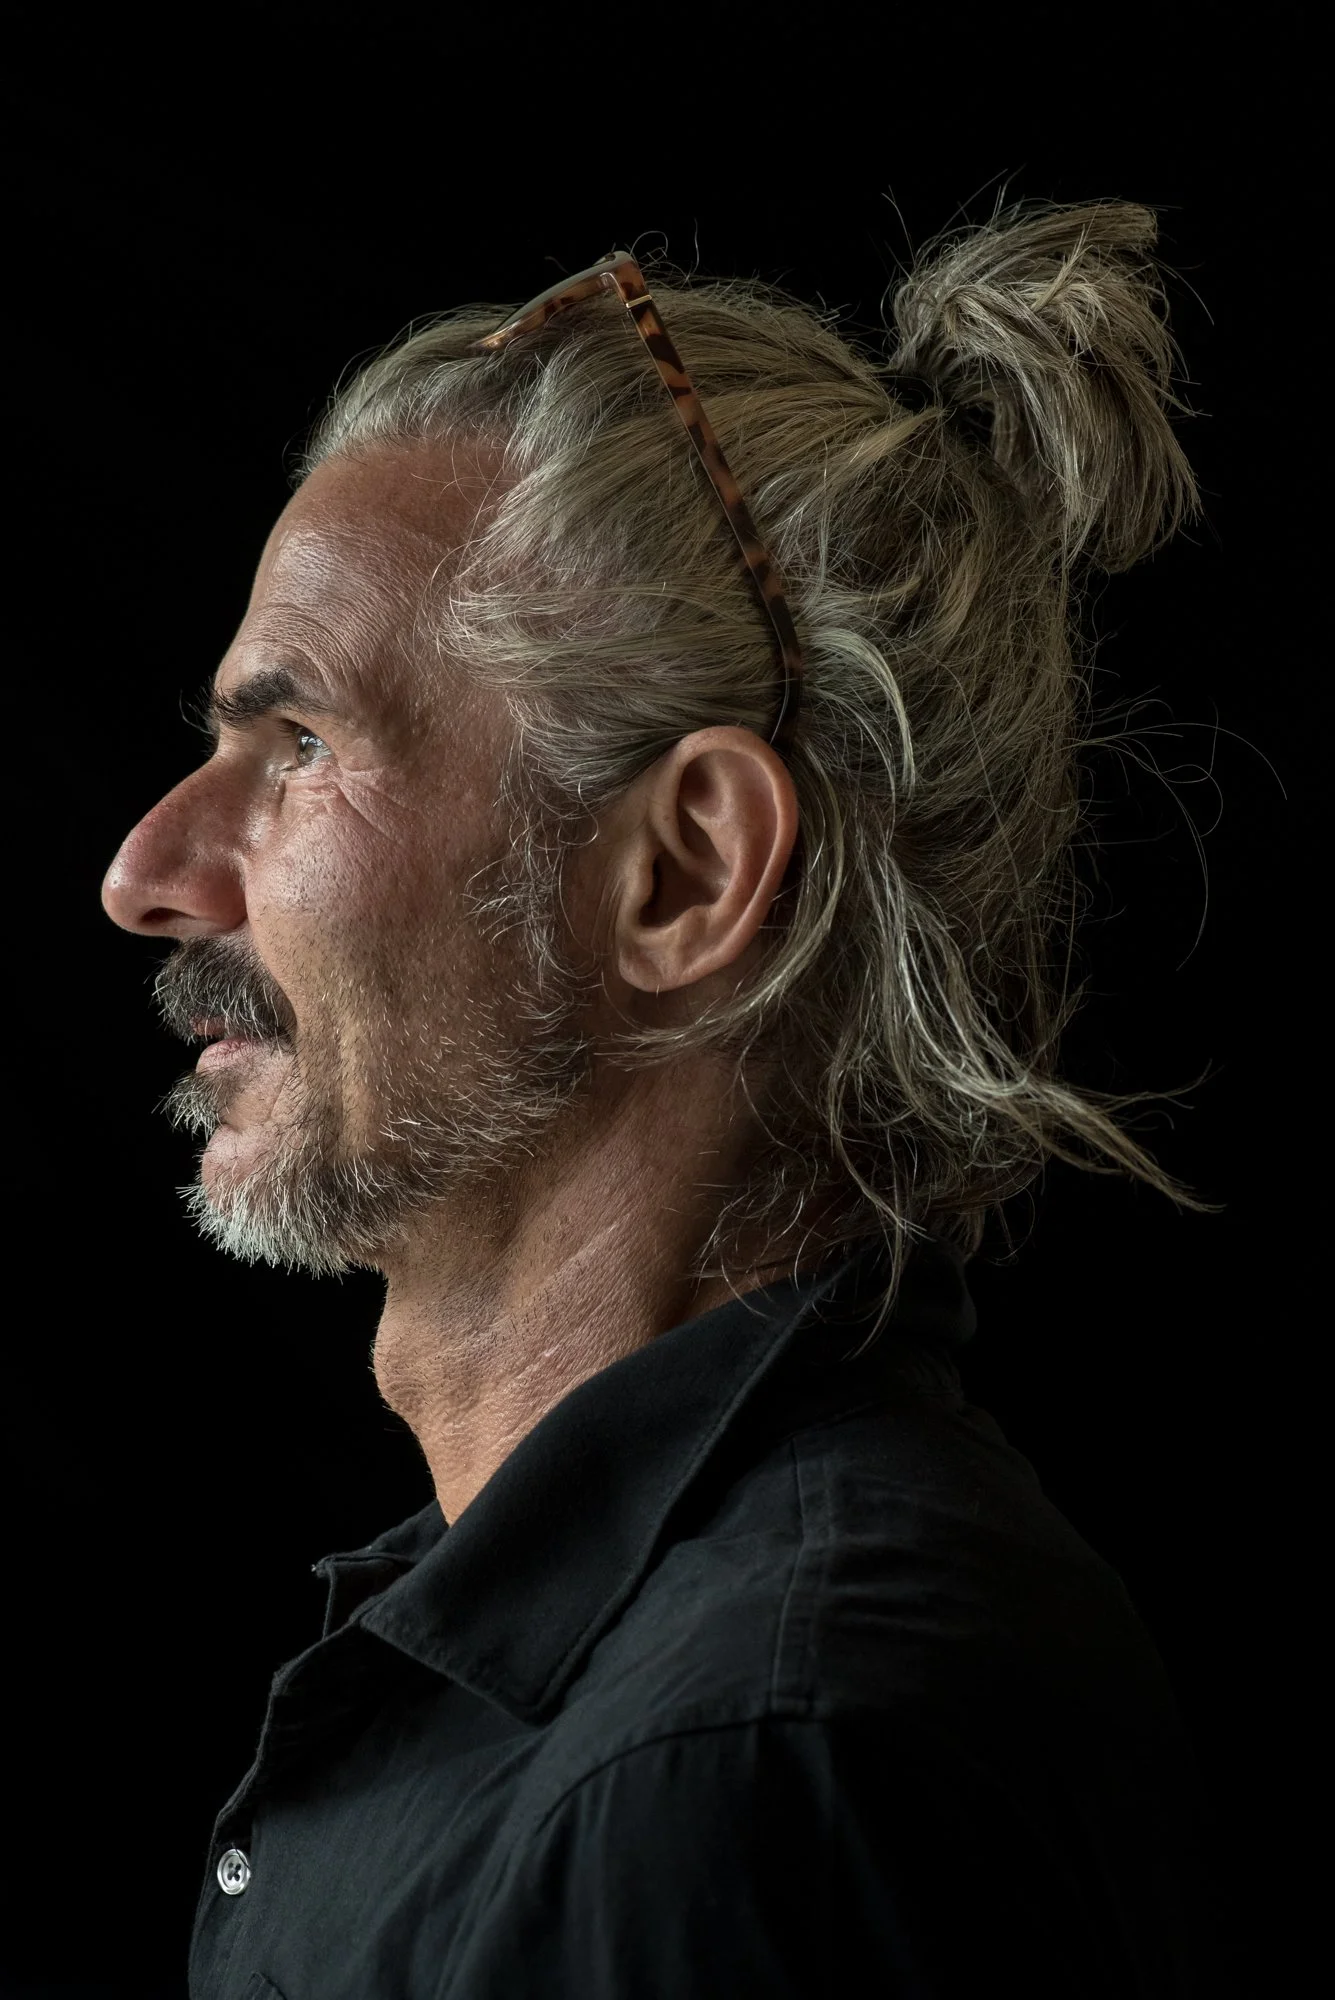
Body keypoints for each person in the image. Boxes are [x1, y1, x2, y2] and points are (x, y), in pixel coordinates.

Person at [102, 199, 1221, 1996]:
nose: (146, 875)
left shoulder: (747, 1773)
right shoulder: (619, 1686)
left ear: (685, 872)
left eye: (299, 746)